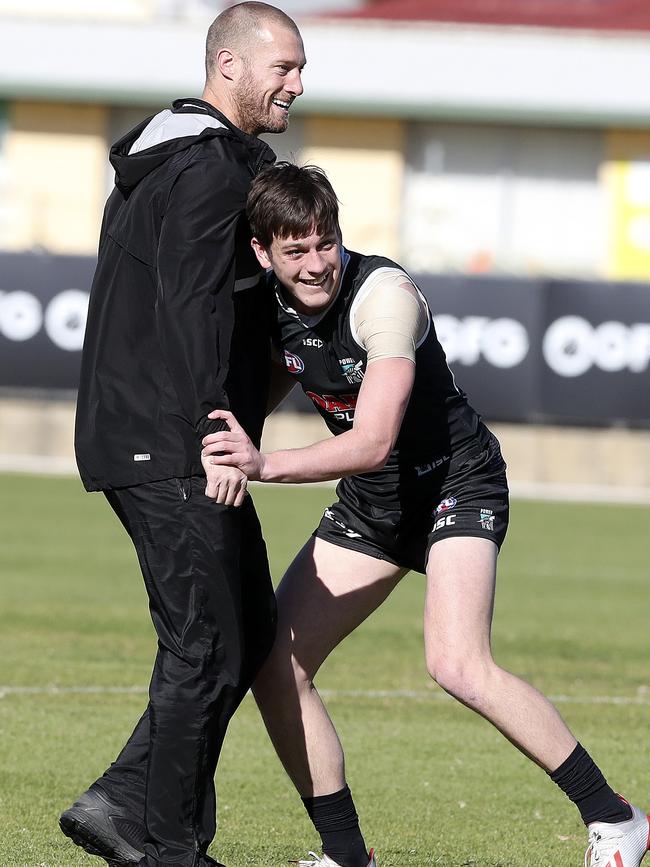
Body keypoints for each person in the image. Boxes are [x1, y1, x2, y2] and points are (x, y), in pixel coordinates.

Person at [201, 162, 650, 867]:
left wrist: (261, 463)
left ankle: (615, 816)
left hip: (456, 482)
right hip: (377, 503)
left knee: (456, 661)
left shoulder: (384, 297)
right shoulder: (270, 304)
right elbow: (280, 378)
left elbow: (373, 438)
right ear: (263, 253)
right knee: (276, 664)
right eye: (297, 251)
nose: (317, 263)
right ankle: (347, 854)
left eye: (327, 242)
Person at [60, 8, 305, 867]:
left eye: (301, 68)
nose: (297, 84)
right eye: (283, 66)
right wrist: (214, 435)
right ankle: (169, 845)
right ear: (228, 64)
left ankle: (124, 801)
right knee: (205, 640)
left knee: (242, 628)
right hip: (169, 440)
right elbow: (189, 310)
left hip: (159, 431)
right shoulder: (201, 169)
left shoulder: (200, 159)